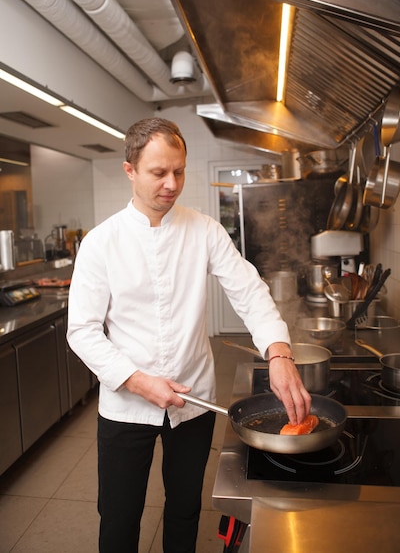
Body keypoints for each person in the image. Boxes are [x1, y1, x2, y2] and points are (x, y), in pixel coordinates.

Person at [67, 117, 311, 553]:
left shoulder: (204, 229)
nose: (171, 183)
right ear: (130, 171)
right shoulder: (101, 243)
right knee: (119, 517)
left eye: (178, 171)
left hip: (192, 400)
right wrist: (140, 381)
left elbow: (249, 290)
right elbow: (82, 331)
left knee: (184, 510)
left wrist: (279, 354)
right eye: (158, 172)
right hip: (126, 404)